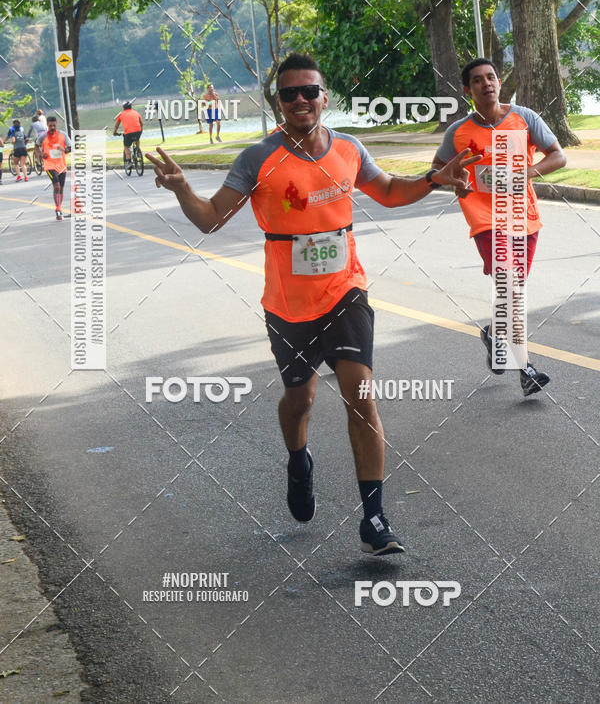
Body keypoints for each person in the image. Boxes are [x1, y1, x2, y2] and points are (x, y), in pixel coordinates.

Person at [147, 52, 480, 556]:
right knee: (299, 400)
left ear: (325, 97)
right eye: (289, 93)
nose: (300, 99)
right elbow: (211, 218)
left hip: (346, 292)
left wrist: (434, 178)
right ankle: (298, 459)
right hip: (288, 306)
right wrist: (181, 189)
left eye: (309, 91)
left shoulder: (348, 148)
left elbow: (390, 192)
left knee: (361, 397)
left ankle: (374, 519)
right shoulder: (258, 158)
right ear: (278, 102)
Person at [431, 58, 567, 396]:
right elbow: (436, 170)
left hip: (524, 217)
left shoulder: (525, 118)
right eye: (478, 80)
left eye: (491, 77)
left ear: (499, 82)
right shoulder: (458, 132)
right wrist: (454, 179)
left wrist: (525, 173)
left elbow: (558, 155)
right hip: (485, 220)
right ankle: (526, 368)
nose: (487, 83)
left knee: (512, 290)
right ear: (468, 90)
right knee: (511, 287)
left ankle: (494, 332)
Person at [42, 116, 71, 220]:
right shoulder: (43, 136)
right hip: (49, 165)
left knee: (61, 188)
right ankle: (58, 210)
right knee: (57, 186)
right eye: (50, 126)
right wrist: (41, 154)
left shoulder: (63, 135)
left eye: (54, 125)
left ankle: (59, 208)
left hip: (61, 166)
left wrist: (63, 149)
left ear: (56, 124)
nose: (52, 127)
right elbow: (36, 145)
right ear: (47, 125)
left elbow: (70, 148)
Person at [113, 100, 143, 165]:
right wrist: (140, 131)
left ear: (123, 107)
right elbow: (141, 124)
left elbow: (116, 126)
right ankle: (138, 150)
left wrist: (115, 132)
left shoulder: (121, 114)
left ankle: (129, 162)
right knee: (137, 139)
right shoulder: (136, 112)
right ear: (131, 106)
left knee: (126, 146)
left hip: (128, 133)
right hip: (138, 131)